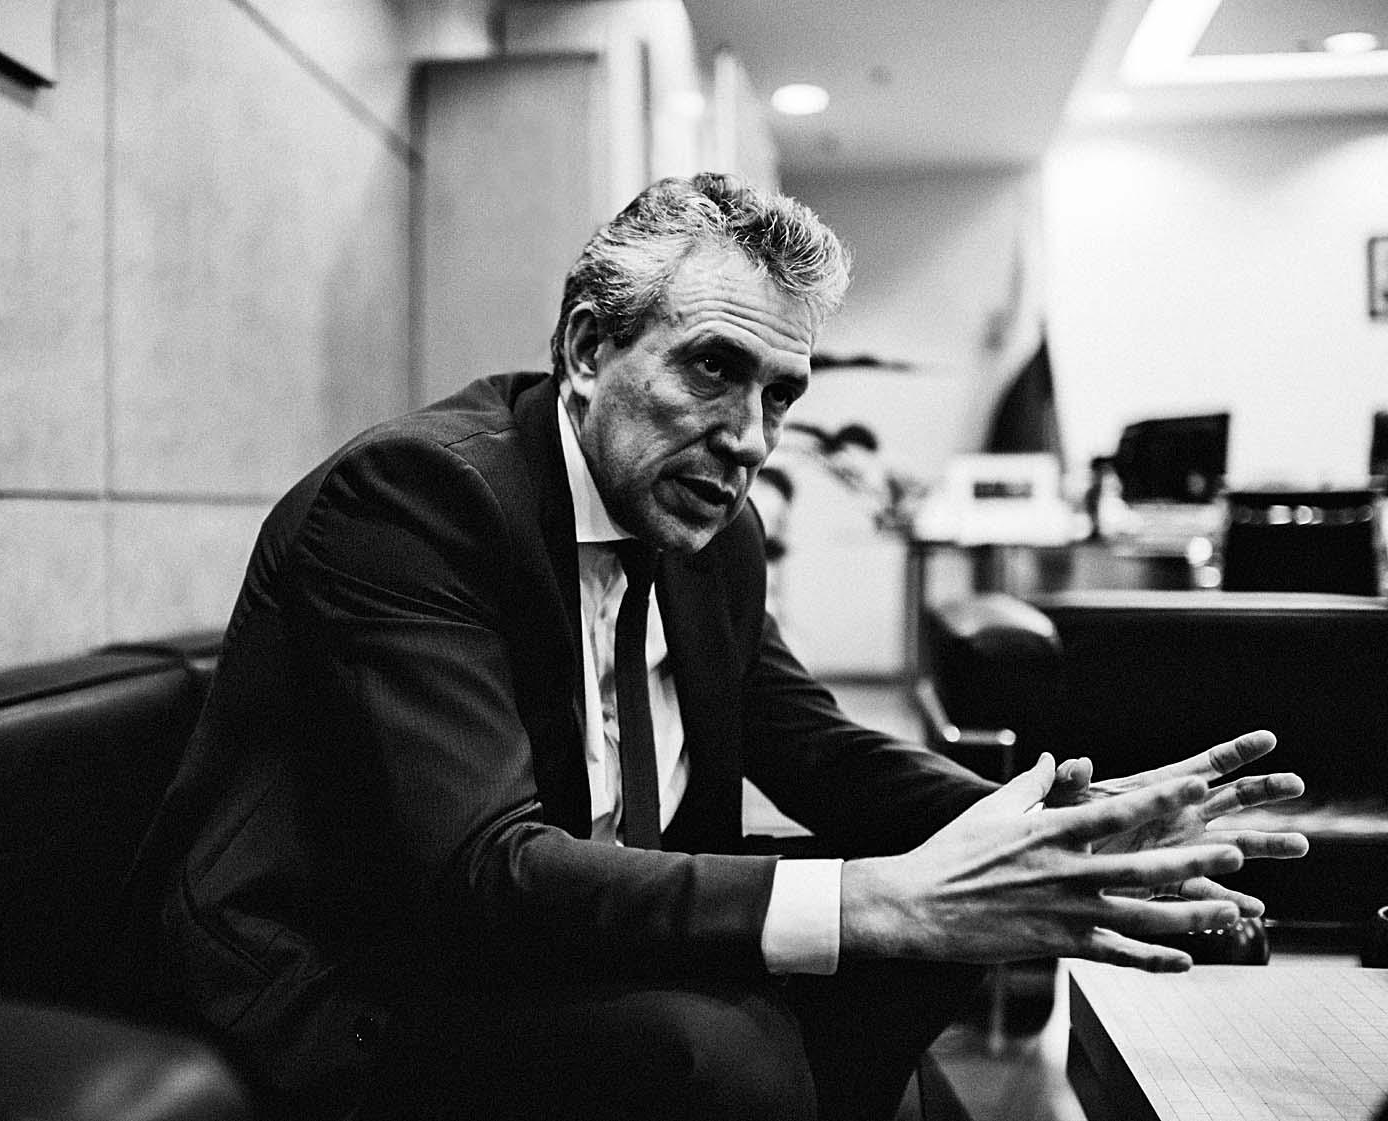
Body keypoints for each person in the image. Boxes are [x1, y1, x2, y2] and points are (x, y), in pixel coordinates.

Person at [135, 173, 1308, 1121]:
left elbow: (816, 747)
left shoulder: (708, 526)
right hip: (361, 977)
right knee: (724, 1047)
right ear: (588, 350)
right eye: (713, 367)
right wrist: (872, 898)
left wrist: (1057, 828)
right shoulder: (416, 499)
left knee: (932, 936)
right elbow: (481, 871)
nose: (750, 437)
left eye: (781, 395)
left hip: (551, 939)